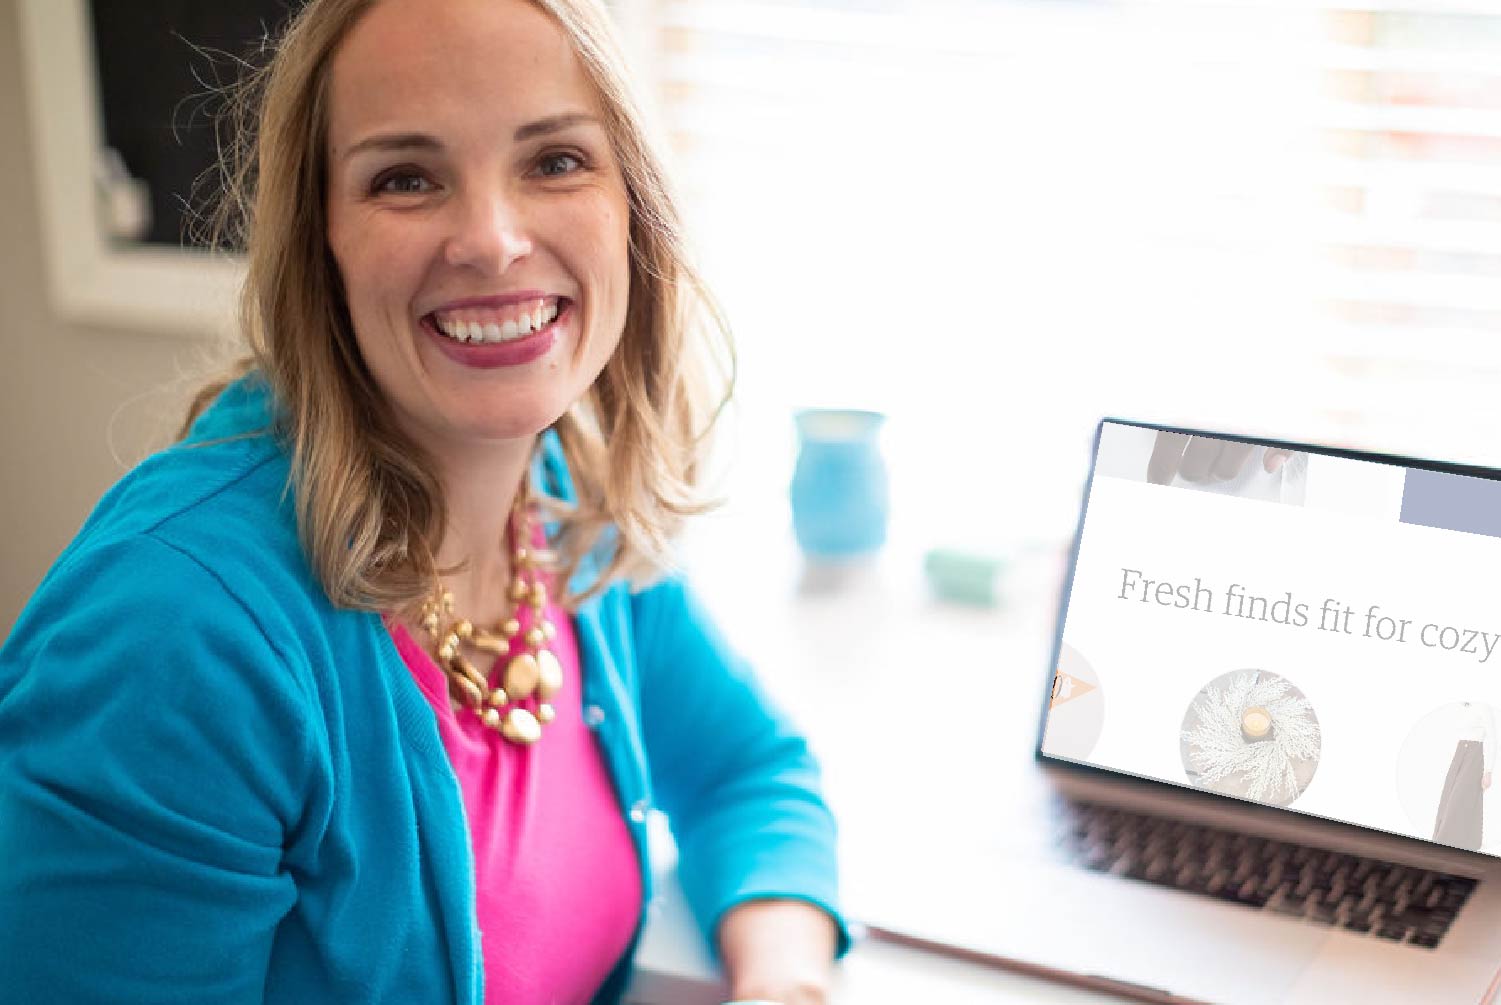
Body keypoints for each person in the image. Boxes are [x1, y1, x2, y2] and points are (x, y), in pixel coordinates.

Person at [0, 1, 847, 1002]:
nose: (490, 241)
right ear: (322, 243)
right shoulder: (174, 639)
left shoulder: (564, 501)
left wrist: (782, 981)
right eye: (405, 178)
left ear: (633, 205)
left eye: (556, 160)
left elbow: (748, 772)